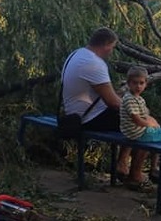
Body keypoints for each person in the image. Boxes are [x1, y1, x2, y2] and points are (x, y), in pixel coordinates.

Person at [61, 27, 152, 190]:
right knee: (145, 122)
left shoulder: (76, 54)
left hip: (73, 114)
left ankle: (123, 162)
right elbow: (114, 103)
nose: (111, 51)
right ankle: (134, 174)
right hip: (88, 119)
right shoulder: (94, 63)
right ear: (106, 44)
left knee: (135, 116)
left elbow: (100, 94)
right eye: (112, 47)